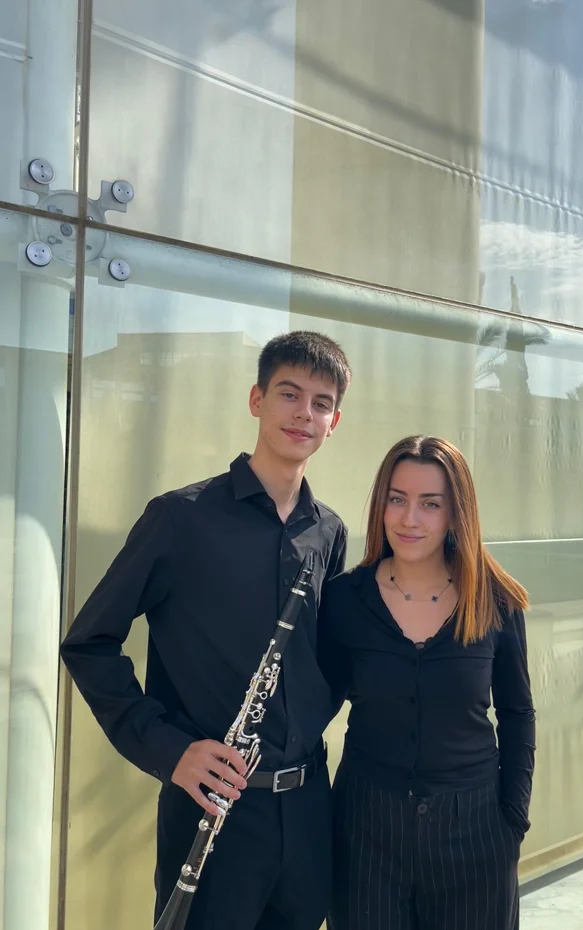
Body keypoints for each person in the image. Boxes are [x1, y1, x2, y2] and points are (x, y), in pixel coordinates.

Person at [60, 330, 352, 930]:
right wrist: (170, 751)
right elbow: (90, 644)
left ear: (334, 422)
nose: (304, 413)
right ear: (256, 399)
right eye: (289, 394)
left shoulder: (329, 532)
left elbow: (325, 656)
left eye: (321, 403)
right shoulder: (180, 518)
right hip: (212, 809)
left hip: (306, 810)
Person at [319, 435, 535, 930]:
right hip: (365, 833)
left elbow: (518, 713)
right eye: (397, 499)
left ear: (456, 514)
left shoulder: (495, 602)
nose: (409, 519)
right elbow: (309, 709)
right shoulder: (345, 600)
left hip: (476, 833)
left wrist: (512, 821)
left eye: (430, 504)